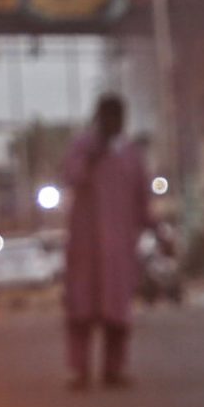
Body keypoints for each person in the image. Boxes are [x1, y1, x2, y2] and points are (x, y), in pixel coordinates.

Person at [61, 93, 151, 390]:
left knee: (117, 313)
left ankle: (113, 370)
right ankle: (80, 371)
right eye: (108, 118)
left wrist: (156, 231)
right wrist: (94, 153)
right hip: (86, 246)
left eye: (118, 118)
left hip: (119, 248)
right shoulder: (82, 148)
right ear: (99, 119)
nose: (114, 124)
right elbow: (72, 176)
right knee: (81, 312)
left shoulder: (130, 154)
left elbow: (142, 199)